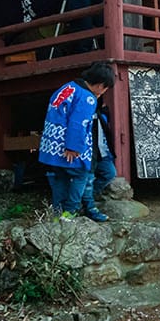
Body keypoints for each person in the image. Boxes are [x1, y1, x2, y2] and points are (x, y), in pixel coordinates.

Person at [38, 62, 115, 218]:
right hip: (67, 144)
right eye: (106, 88)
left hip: (52, 143)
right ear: (101, 85)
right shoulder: (87, 97)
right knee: (81, 174)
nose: (104, 91)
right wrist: (73, 147)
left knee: (61, 177)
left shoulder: (68, 87)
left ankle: (57, 213)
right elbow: (78, 123)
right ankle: (70, 212)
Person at [78, 104, 116, 223]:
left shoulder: (102, 115)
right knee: (88, 179)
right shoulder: (82, 114)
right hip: (87, 153)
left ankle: (89, 198)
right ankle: (90, 208)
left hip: (102, 152)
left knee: (110, 172)